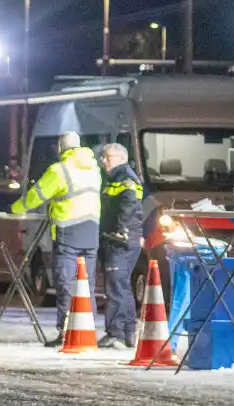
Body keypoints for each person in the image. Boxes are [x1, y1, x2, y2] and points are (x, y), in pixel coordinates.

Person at [11, 132, 101, 347]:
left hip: (68, 231)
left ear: (61, 148)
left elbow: (36, 195)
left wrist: (15, 209)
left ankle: (66, 332)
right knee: (87, 283)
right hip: (91, 231)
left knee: (65, 282)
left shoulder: (60, 170)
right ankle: (87, 329)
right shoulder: (93, 169)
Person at [97, 143, 144, 349]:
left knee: (116, 287)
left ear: (120, 157)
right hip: (117, 238)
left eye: (107, 157)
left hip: (120, 240)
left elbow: (129, 202)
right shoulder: (115, 177)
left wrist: (120, 228)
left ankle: (116, 332)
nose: (103, 160)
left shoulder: (125, 177)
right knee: (122, 286)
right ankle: (128, 332)